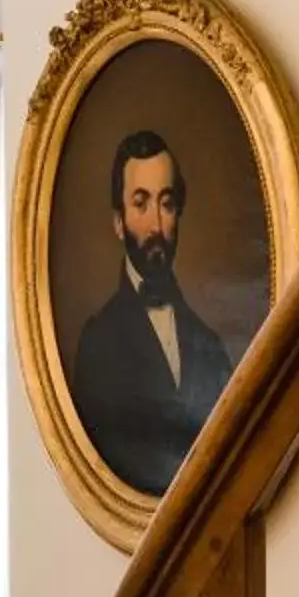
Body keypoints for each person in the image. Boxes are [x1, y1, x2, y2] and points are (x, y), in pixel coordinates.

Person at [69, 130, 235, 496]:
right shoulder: (98, 346)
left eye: (166, 203)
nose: (157, 226)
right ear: (118, 221)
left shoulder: (210, 346)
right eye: (141, 204)